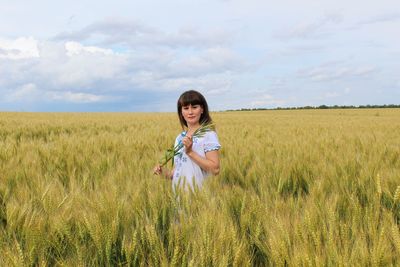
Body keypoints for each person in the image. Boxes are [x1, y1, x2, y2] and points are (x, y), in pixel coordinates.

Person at [154, 90, 221, 190]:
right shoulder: (180, 137)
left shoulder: (208, 135)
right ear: (181, 112)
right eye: (186, 108)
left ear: (202, 109)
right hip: (179, 197)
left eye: (194, 107)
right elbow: (178, 171)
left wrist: (190, 152)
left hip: (200, 196)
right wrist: (164, 173)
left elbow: (215, 170)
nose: (190, 112)